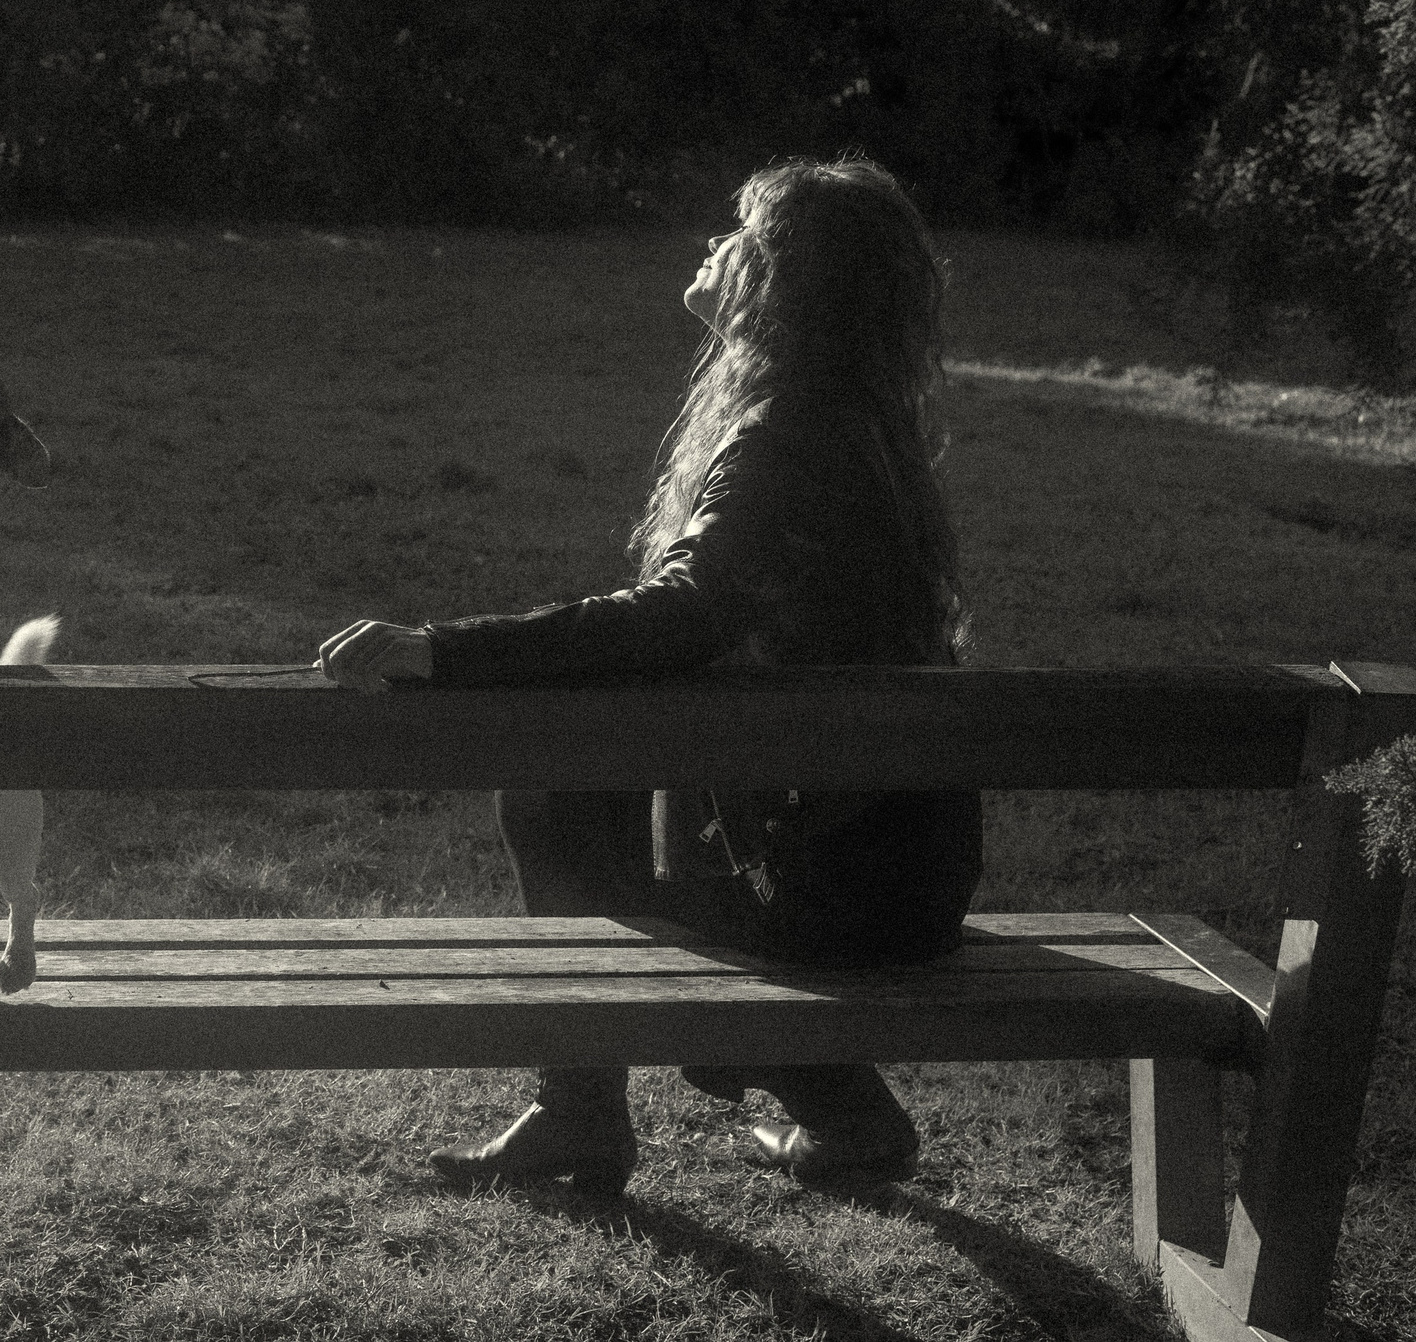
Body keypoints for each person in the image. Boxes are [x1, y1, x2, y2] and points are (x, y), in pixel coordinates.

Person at [317, 157, 980, 1197]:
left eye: (739, 235)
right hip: (906, 877)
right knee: (585, 789)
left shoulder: (785, 435)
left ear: (784, 280)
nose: (713, 246)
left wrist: (444, 649)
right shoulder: (860, 425)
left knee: (549, 789)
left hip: (830, 899)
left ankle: (588, 1113)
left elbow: (682, 611)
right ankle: (833, 1114)